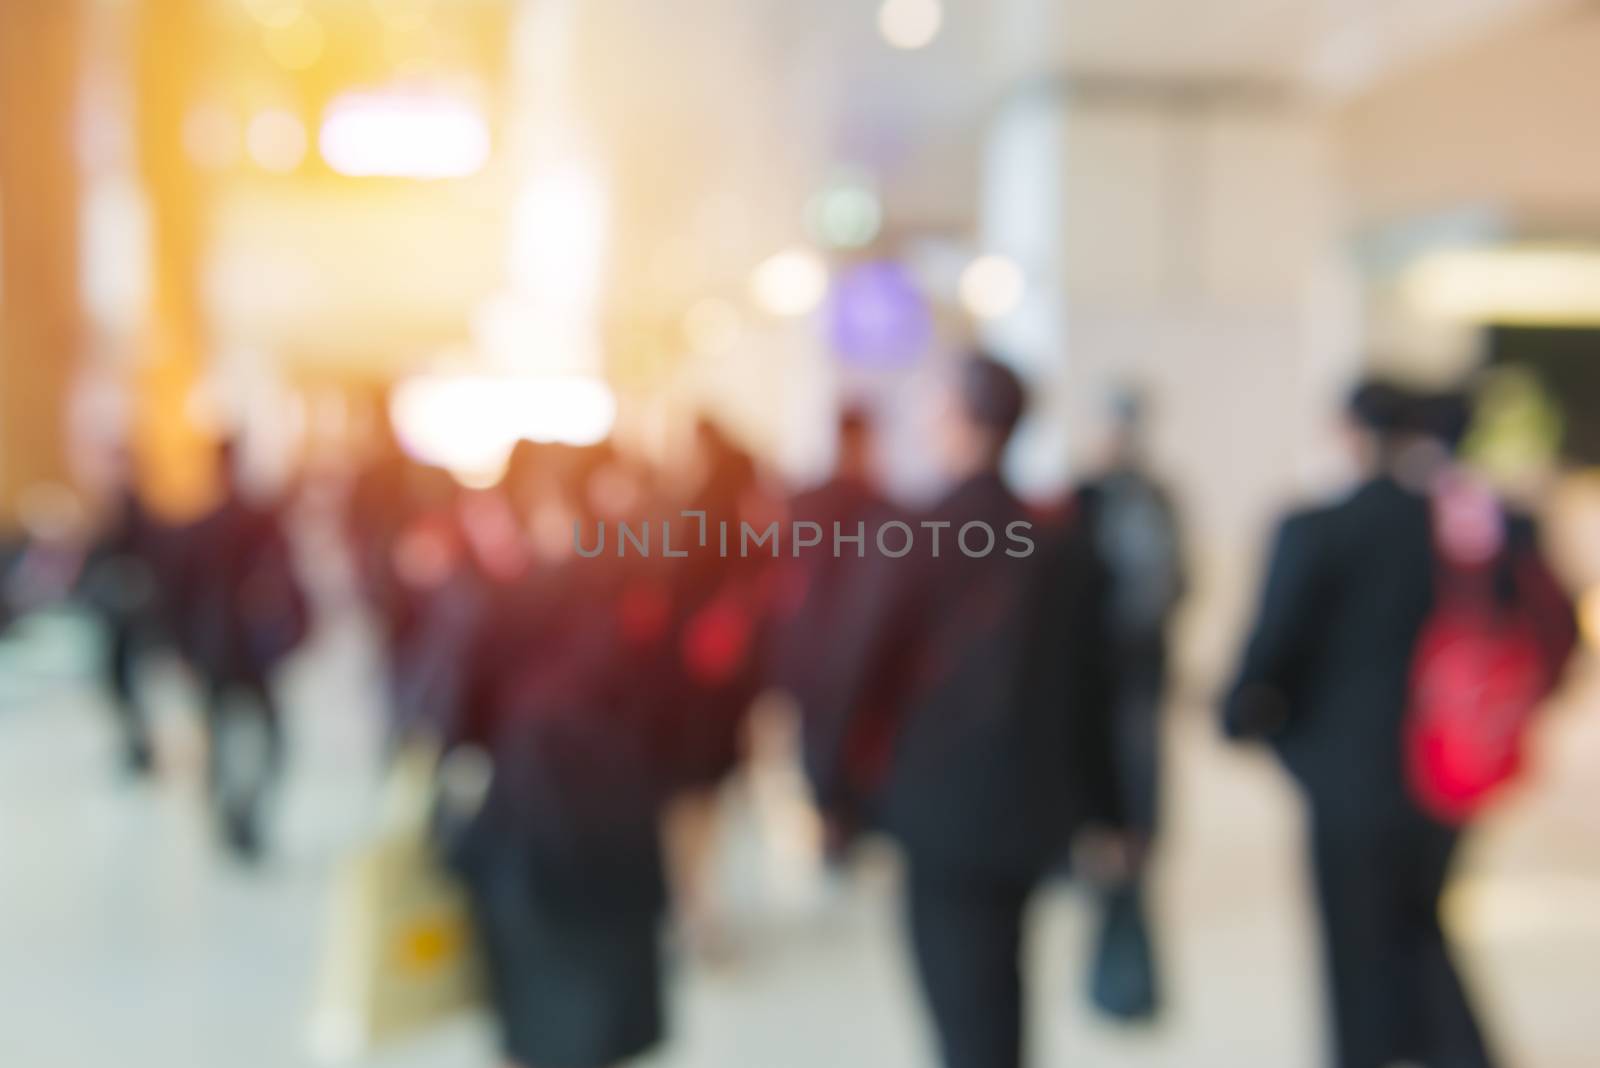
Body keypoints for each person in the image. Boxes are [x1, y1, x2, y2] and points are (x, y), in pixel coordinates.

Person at [1223, 380, 1577, 1068]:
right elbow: (1549, 630)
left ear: (1350, 432)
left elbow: (1273, 647)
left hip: (1345, 772)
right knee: (1421, 919)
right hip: (1448, 762)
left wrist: (1244, 717)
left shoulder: (1320, 526)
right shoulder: (1482, 525)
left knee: (1356, 944)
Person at [799, 353, 1123, 1068]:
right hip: (1034, 807)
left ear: (958, 420)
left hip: (939, 808)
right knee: (998, 989)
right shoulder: (1058, 542)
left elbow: (852, 675)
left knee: (962, 1008)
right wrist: (1113, 810)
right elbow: (1096, 691)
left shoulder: (916, 536)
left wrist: (828, 793)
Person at [442, 442, 671, 1068]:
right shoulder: (630, 579)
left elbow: (454, 700)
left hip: (531, 817)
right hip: (613, 816)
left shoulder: (501, 594)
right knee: (603, 998)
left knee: (536, 998)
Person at [1071, 387, 1186, 1019]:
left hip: (1135, 671)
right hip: (1096, 672)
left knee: (1136, 769)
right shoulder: (1083, 498)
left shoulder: (1154, 496)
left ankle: (1131, 849)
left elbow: (1175, 580)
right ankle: (1103, 847)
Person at [170, 440, 309, 860]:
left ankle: (229, 814)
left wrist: (185, 650)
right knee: (269, 739)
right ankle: (244, 815)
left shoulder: (204, 525)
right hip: (251, 650)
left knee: (221, 739)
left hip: (218, 650)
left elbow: (180, 597)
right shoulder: (259, 521)